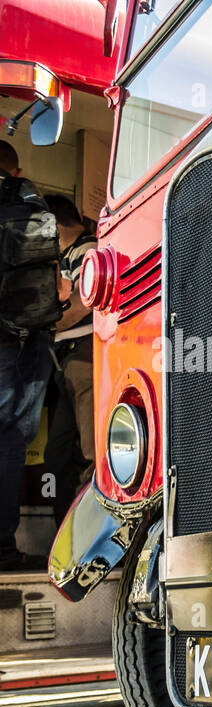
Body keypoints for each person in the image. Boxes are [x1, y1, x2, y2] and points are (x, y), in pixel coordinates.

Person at [0, 140, 60, 571]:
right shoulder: (30, 202)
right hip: (35, 338)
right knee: (12, 442)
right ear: (15, 169)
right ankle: (4, 543)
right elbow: (58, 286)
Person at [44, 194, 96, 520]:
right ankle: (65, 530)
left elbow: (83, 303)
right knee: (57, 454)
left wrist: (48, 318)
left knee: (90, 452)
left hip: (85, 356)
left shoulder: (88, 249)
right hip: (67, 361)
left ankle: (91, 534)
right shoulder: (65, 255)